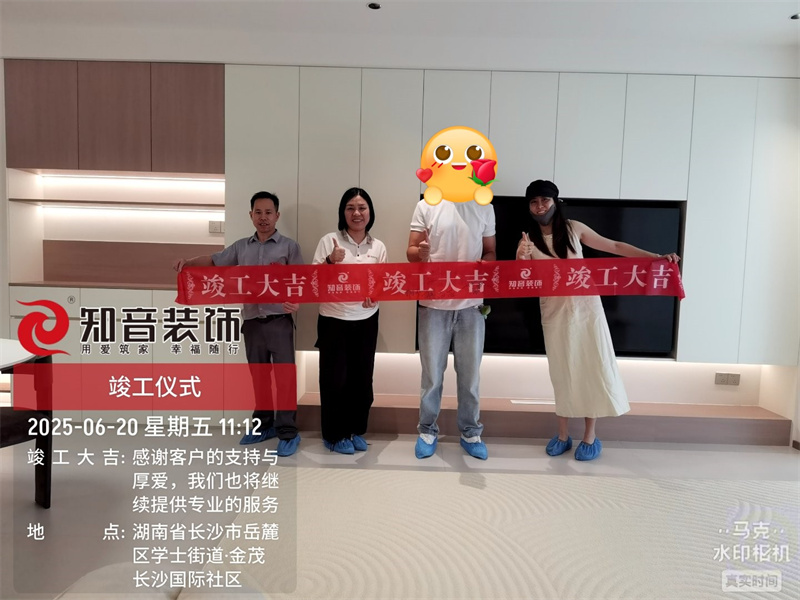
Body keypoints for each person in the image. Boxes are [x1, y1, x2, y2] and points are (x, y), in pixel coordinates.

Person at [516, 180, 680, 461]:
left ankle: (590, 437)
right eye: (534, 202)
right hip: (554, 314)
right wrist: (521, 257)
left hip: (587, 310)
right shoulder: (527, 238)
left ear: (555, 202)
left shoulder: (573, 228)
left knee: (591, 367)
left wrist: (655, 257)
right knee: (563, 371)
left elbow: (613, 245)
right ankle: (563, 436)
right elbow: (521, 279)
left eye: (544, 200)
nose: (540, 206)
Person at [173, 191, 304, 457]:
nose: (263, 217)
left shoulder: (289, 247)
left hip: (279, 321)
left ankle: (288, 432)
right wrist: (188, 263)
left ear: (277, 216)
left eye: (268, 212)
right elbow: (214, 260)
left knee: (285, 379)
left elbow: (300, 280)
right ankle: (263, 425)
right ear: (251, 215)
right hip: (252, 322)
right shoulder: (241, 247)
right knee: (259, 377)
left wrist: (296, 302)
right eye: (258, 212)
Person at [406, 199, 496, 460]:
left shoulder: (484, 205)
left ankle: (471, 432)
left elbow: (490, 251)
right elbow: (411, 252)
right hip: (433, 303)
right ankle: (427, 430)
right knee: (432, 376)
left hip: (471, 305)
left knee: (470, 376)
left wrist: (485, 263)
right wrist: (421, 253)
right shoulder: (427, 204)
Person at [311, 188, 388, 454]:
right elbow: (313, 281)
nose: (356, 213)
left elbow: (382, 283)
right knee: (334, 380)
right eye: (350, 208)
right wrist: (330, 261)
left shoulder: (378, 247)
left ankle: (354, 430)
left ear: (370, 212)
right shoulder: (329, 241)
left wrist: (374, 297)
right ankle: (334, 435)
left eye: (362, 207)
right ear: (343, 212)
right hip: (333, 319)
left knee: (362, 380)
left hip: (366, 319)